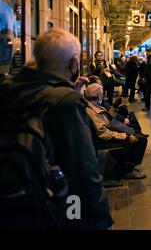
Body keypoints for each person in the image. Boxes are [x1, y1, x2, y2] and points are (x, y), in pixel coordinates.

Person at [0, 28, 111, 229]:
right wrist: (100, 214)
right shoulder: (66, 104)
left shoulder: (10, 90)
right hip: (57, 208)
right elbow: (83, 172)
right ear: (74, 64)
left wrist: (67, 90)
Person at [84, 83, 147, 180]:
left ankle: (126, 163)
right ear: (98, 95)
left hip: (110, 126)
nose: (103, 95)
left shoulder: (93, 105)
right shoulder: (92, 112)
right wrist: (125, 136)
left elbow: (108, 118)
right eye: (101, 93)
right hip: (104, 138)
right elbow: (104, 134)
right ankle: (128, 170)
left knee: (135, 131)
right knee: (141, 140)